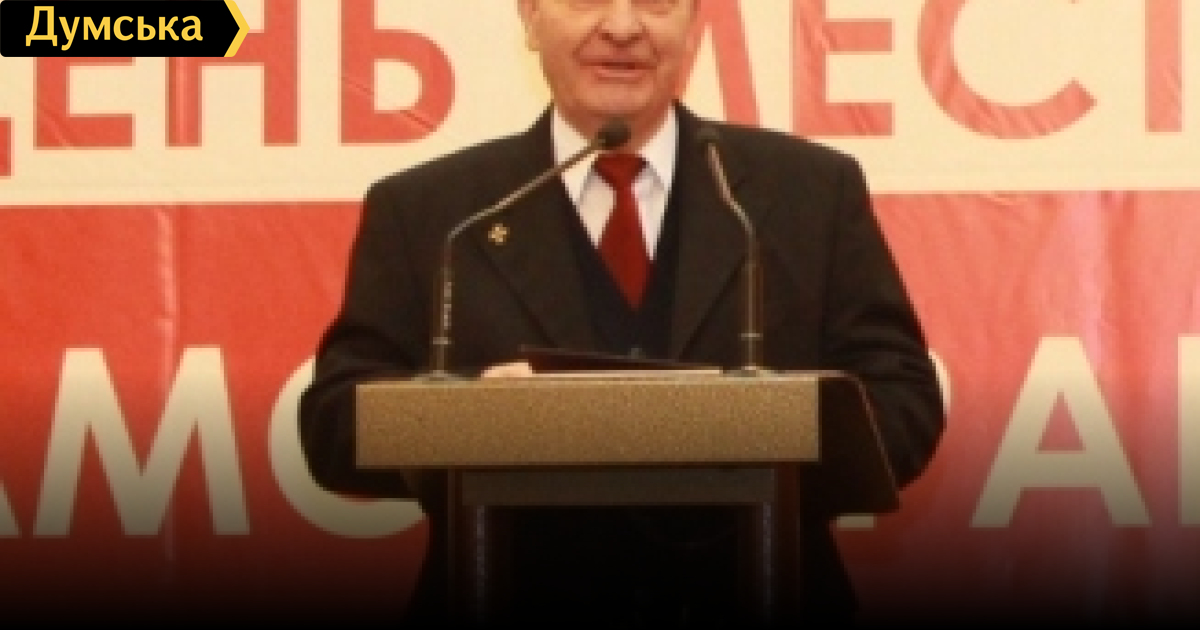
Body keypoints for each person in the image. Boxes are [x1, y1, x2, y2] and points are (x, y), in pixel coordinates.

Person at [299, 0, 945, 626]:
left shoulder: (806, 191)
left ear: (694, 22)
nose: (622, 25)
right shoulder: (433, 211)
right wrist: (476, 412)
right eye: (587, 0)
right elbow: (334, 425)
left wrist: (768, 429)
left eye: (655, 1)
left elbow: (903, 401)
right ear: (530, 16)